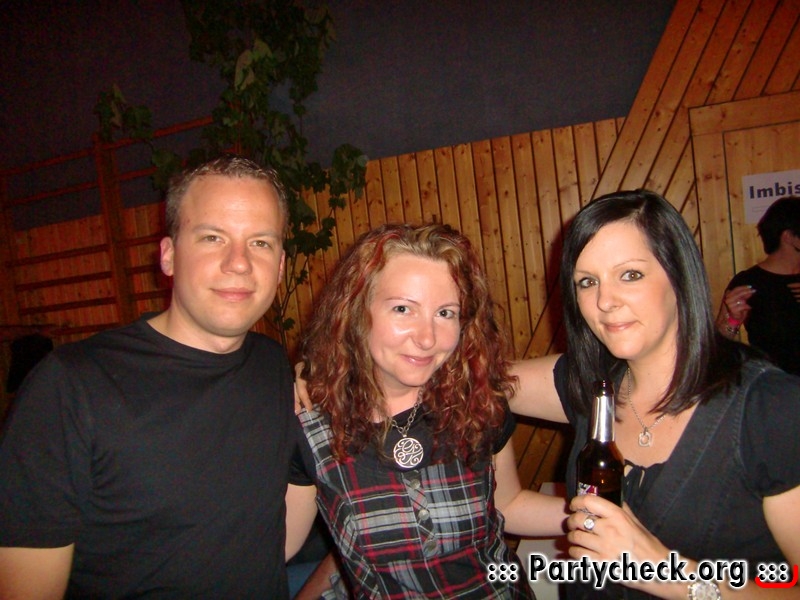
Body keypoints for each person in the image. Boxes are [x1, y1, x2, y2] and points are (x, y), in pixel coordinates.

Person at [0, 154, 317, 599]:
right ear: (168, 256)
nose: (239, 263)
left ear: (280, 265)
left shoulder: (271, 366)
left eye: (260, 242)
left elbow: (271, 546)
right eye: (212, 237)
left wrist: (310, 439)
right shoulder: (70, 386)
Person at [507, 190, 800, 599]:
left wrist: (665, 572)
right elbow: (486, 383)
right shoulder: (591, 383)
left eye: (630, 274)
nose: (605, 301)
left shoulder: (772, 406)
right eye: (587, 282)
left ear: (678, 275)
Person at [294, 223, 568, 599]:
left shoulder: (478, 403)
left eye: (445, 313)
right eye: (403, 309)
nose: (427, 338)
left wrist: (604, 516)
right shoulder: (310, 427)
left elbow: (508, 503)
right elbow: (275, 547)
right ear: (356, 311)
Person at [716, 195, 800, 376]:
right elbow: (718, 347)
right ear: (789, 237)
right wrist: (732, 320)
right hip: (773, 386)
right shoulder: (749, 282)